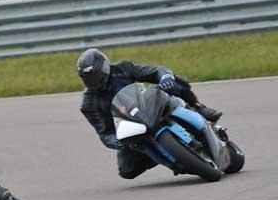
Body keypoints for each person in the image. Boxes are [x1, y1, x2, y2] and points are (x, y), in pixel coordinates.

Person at [77, 48, 223, 180]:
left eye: (96, 76)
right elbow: (104, 133)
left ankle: (198, 107)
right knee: (127, 170)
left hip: (151, 105)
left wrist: (164, 76)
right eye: (88, 79)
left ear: (104, 67)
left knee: (175, 81)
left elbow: (153, 71)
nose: (94, 82)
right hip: (132, 128)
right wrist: (119, 141)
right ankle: (172, 156)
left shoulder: (123, 68)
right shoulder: (89, 104)